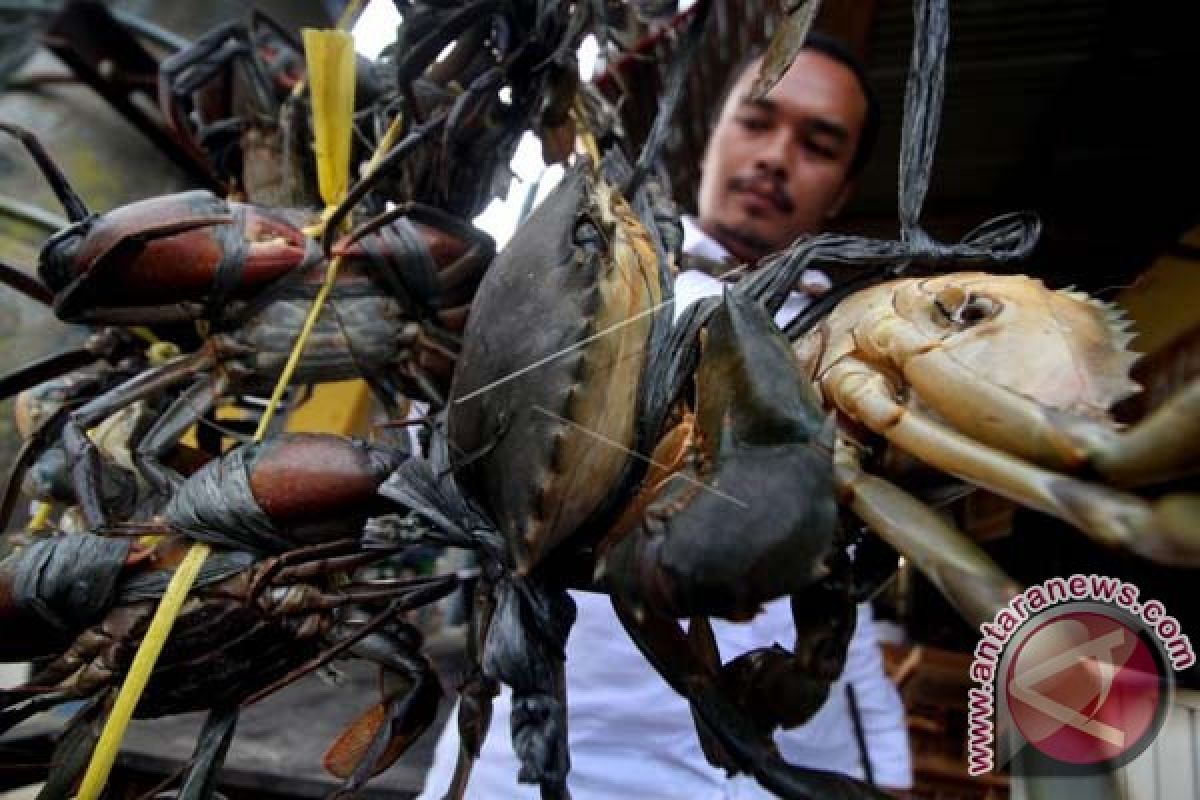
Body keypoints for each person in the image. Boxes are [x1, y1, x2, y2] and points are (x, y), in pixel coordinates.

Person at [418, 33, 912, 799]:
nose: (776, 156)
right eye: (756, 121)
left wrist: (889, 765)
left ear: (843, 191)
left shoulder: (870, 347)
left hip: (790, 761)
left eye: (818, 144)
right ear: (711, 137)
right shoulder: (593, 275)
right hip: (534, 764)